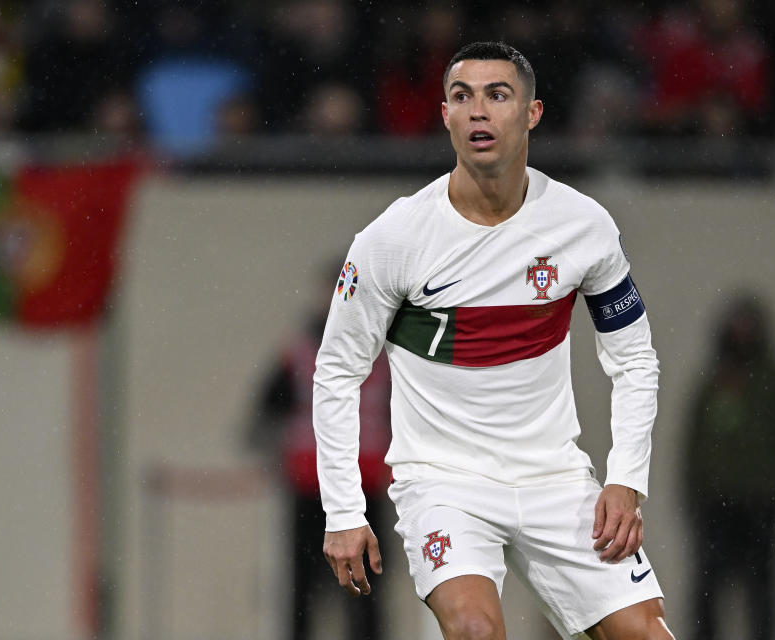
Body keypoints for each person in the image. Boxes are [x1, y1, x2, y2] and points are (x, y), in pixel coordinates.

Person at [314, 42, 675, 640]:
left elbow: (634, 357)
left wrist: (626, 478)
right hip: (443, 481)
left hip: (556, 479)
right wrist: (344, 511)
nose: (478, 111)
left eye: (497, 95)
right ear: (446, 116)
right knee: (477, 632)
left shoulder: (583, 226)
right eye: (462, 97)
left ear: (532, 113)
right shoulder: (394, 238)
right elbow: (337, 372)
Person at [247, 281, 392, 640]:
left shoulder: (386, 353)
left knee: (367, 590)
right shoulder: (299, 352)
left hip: (366, 486)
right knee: (303, 589)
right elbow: (265, 413)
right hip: (311, 487)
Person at [683, 293, 775, 640]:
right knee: (707, 589)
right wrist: (694, 494)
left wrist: (769, 478)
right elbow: (693, 444)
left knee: (762, 588)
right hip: (714, 503)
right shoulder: (713, 383)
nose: (741, 334)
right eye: (735, 325)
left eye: (747, 325)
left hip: (760, 502)